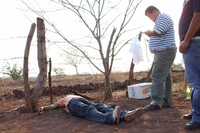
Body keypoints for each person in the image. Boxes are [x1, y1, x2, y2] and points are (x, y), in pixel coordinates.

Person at [143, 6, 177, 111]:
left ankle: (156, 102)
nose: (151, 19)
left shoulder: (163, 18)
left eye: (150, 17)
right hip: (164, 51)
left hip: (164, 51)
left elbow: (159, 32)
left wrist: (149, 33)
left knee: (157, 75)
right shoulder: (161, 19)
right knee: (165, 76)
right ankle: (166, 101)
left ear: (153, 12)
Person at [39, 94, 144, 125]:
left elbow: (53, 105)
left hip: (80, 102)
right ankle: (113, 117)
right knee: (90, 109)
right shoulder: (63, 100)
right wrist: (44, 108)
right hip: (74, 104)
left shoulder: (65, 98)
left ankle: (124, 115)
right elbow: (53, 106)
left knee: (98, 106)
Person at [179, 0, 200, 130]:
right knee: (193, 83)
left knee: (197, 83)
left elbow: (198, 16)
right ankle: (195, 112)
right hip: (192, 43)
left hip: (194, 43)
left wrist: (186, 40)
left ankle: (198, 117)